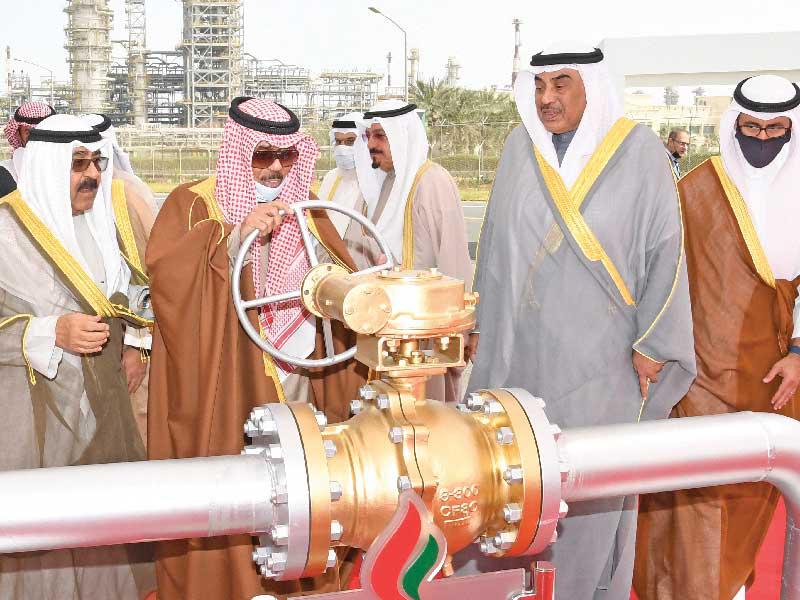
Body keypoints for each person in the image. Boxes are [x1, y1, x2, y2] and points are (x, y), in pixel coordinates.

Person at [452, 42, 696, 599]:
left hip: (601, 360)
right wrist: (478, 322)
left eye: (561, 84)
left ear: (594, 86)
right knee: (510, 478)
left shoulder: (639, 151)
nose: (547, 98)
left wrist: (654, 344)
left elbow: (667, 250)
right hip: (518, 354)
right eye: (538, 86)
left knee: (588, 488)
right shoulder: (520, 147)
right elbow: (493, 246)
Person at [146, 97, 357, 600]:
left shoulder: (308, 209)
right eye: (263, 155)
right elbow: (169, 283)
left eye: (287, 155)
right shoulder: (192, 204)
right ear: (238, 152)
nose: (276, 167)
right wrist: (236, 238)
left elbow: (340, 277)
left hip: (301, 378)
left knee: (301, 487)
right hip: (227, 382)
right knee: (236, 488)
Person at [635, 74, 800, 600]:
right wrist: (653, 346)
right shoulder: (697, 187)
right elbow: (662, 273)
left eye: (774, 130)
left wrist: (799, 353)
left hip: (771, 371)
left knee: (749, 490)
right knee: (693, 486)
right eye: (750, 128)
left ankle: (727, 587)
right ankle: (685, 588)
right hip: (696, 368)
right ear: (734, 126)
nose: (761, 139)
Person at [0, 114, 153, 598]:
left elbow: (125, 295)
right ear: (47, 167)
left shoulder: (101, 226)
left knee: (101, 515)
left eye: (96, 163)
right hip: (32, 414)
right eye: (77, 164)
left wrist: (132, 343)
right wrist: (49, 331)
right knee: (43, 524)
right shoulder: (6, 234)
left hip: (102, 404)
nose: (91, 175)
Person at [348, 99, 472, 402]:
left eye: (381, 136)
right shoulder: (378, 186)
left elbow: (454, 257)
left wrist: (459, 328)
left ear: (403, 136)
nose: (372, 145)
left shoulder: (432, 181)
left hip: (425, 326)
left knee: (427, 408)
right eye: (369, 136)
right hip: (382, 324)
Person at [318, 112, 365, 236]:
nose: (342, 148)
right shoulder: (331, 177)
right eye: (338, 142)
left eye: (350, 141)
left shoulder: (375, 180)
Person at [1, 101, 56, 181]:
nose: (37, 137)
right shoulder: (4, 172)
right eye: (29, 132)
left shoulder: (68, 168)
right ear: (18, 135)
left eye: (43, 132)